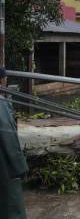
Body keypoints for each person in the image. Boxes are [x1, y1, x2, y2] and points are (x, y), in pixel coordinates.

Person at [0, 67, 29, 219]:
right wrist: (21, 167)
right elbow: (9, 139)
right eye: (5, 79)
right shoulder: (1, 106)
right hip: (4, 167)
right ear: (1, 80)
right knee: (11, 207)